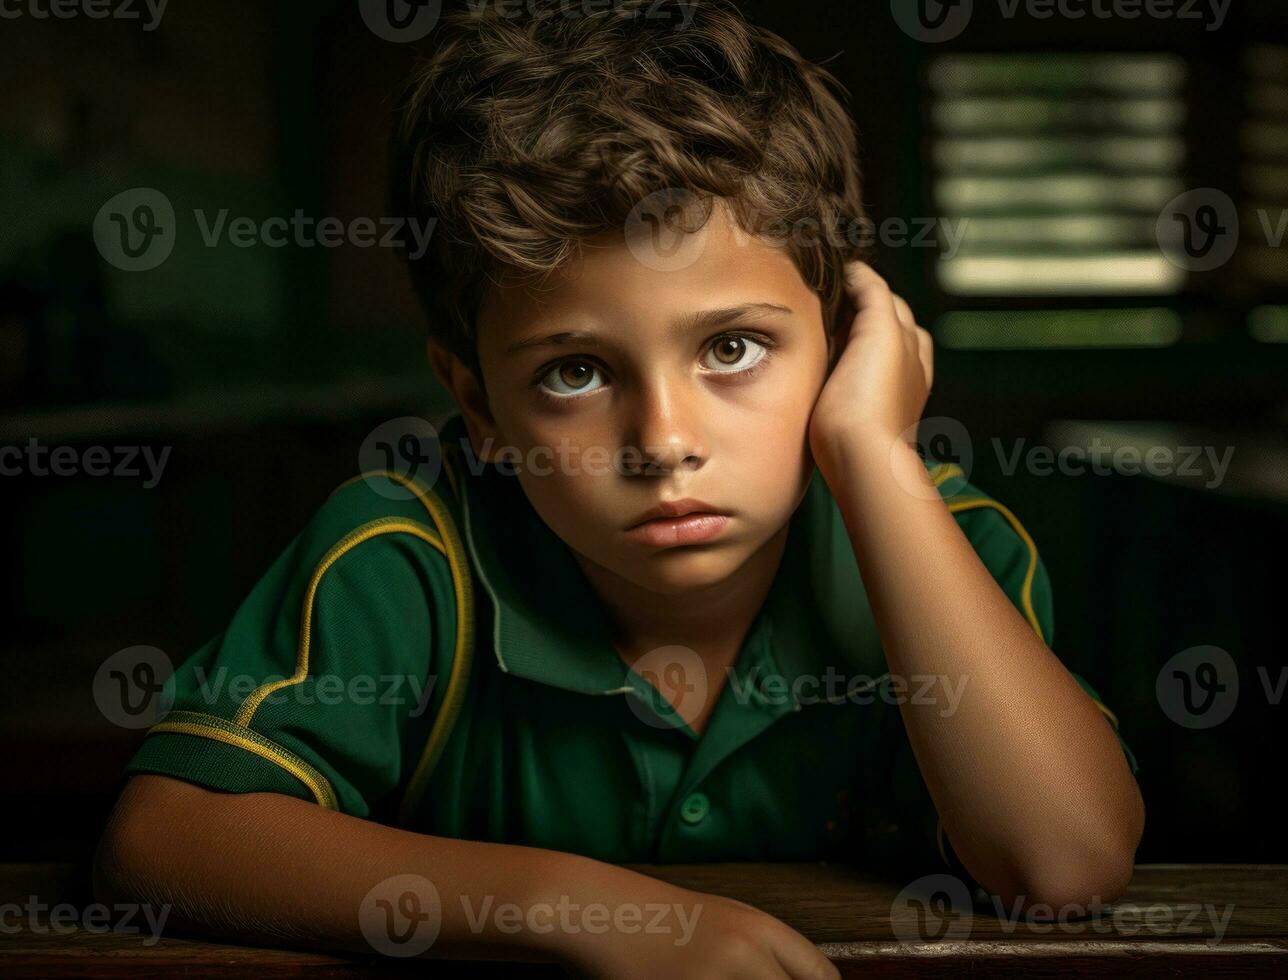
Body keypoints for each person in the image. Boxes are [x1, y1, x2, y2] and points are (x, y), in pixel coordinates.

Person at [95, 2, 1143, 975]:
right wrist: (582, 907)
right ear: (479, 403)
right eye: (575, 372)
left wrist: (872, 448)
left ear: (841, 339)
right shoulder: (404, 553)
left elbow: (1061, 862)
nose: (664, 439)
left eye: (733, 346)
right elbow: (164, 836)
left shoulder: (930, 534)